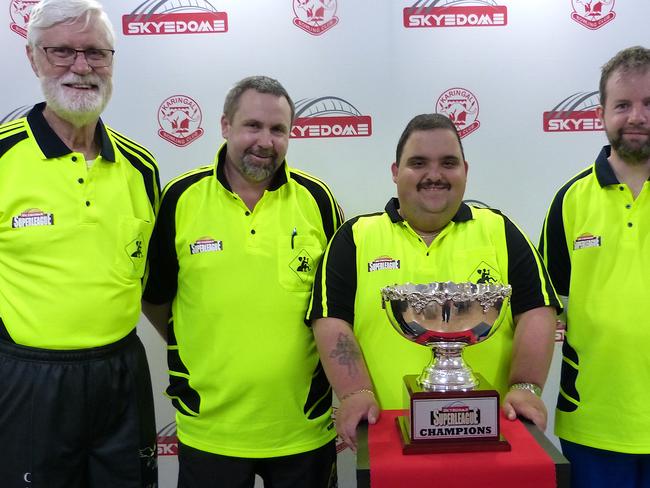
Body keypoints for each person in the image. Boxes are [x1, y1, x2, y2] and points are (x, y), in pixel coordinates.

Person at [308, 113, 560, 450]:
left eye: (448, 162)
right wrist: (355, 393)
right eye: (418, 163)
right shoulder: (354, 237)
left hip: (491, 434)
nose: (434, 175)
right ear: (396, 172)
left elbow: (536, 312)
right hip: (388, 434)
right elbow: (331, 320)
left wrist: (525, 387)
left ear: (465, 171)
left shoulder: (500, 230)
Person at [142, 75, 343, 488]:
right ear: (225, 126)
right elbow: (156, 298)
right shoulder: (181, 198)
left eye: (277, 130)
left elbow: (337, 307)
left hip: (302, 428)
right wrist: (202, 346)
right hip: (210, 430)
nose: (264, 141)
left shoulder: (318, 200)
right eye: (252, 126)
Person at [0, 0, 160, 487]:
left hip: (122, 375)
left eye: (95, 53)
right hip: (29, 379)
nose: (81, 67)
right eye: (62, 52)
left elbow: (151, 278)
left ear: (112, 61)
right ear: (32, 58)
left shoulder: (141, 167)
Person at [540, 46, 650, 488]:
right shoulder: (569, 201)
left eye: (648, 103)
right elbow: (545, 310)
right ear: (601, 113)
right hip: (594, 422)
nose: (637, 116)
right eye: (623, 105)